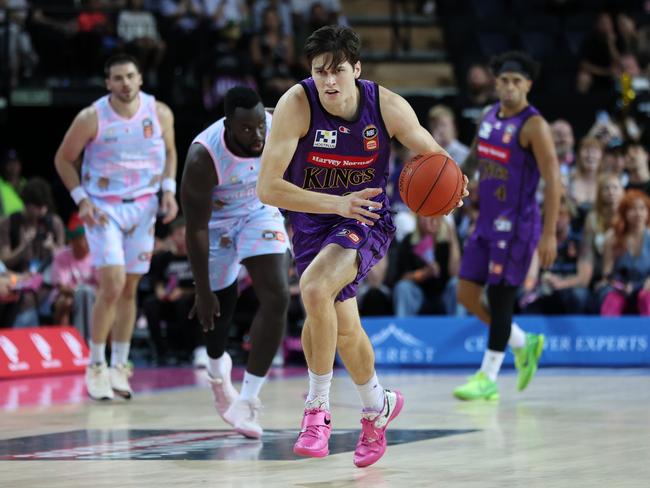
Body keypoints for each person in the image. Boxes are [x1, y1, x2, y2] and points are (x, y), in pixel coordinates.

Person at [256, 25, 467, 467]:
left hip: (366, 217)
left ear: (356, 68)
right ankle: (378, 405)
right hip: (313, 220)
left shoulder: (386, 105)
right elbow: (267, 188)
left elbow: (434, 156)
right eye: (319, 72)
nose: (328, 81)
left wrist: (455, 183)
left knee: (314, 290)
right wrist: (336, 202)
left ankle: (317, 410)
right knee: (344, 327)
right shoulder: (297, 105)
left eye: (336, 71)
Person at [54, 53, 178, 401]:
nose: (125, 83)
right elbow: (63, 159)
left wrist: (168, 191)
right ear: (108, 83)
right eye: (117, 78)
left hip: (143, 207)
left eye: (130, 76)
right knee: (111, 283)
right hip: (104, 208)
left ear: (140, 79)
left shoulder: (160, 112)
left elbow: (170, 153)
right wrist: (81, 198)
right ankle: (95, 365)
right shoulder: (91, 117)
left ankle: (120, 367)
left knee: (130, 288)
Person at [181, 86, 290, 439]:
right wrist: (201, 289)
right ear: (227, 125)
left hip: (258, 211)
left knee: (277, 297)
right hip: (215, 226)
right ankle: (217, 371)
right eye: (247, 129)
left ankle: (248, 400)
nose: (258, 135)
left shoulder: (273, 125)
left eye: (260, 125)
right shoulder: (203, 157)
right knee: (218, 312)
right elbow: (195, 228)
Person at [455, 51, 561, 401]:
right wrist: (448, 183)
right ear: (495, 83)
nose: (510, 87)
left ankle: (488, 377)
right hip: (486, 221)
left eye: (517, 81)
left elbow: (554, 181)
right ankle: (522, 341)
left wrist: (548, 234)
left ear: (528, 85)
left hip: (517, 227)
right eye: (504, 80)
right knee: (466, 295)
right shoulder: (488, 116)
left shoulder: (534, 125)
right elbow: (472, 160)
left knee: (500, 300)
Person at [143, 216, 207, 367]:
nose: (183, 238)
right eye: (179, 234)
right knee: (150, 304)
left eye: (186, 234)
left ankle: (192, 349)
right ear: (172, 237)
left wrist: (183, 291)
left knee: (186, 304)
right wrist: (160, 291)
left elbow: (204, 284)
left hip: (190, 299)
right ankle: (160, 351)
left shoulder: (199, 256)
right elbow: (156, 280)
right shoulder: (163, 258)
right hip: (168, 299)